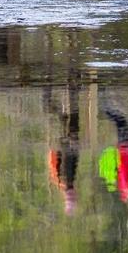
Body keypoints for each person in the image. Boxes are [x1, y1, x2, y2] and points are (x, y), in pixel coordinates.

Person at [45, 82, 81, 214]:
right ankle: (72, 89)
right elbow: (73, 161)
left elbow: (58, 161)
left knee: (66, 120)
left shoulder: (62, 181)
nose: (72, 195)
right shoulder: (67, 181)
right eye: (73, 198)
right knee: (70, 119)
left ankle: (49, 98)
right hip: (69, 145)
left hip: (64, 145)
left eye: (70, 198)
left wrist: (67, 146)